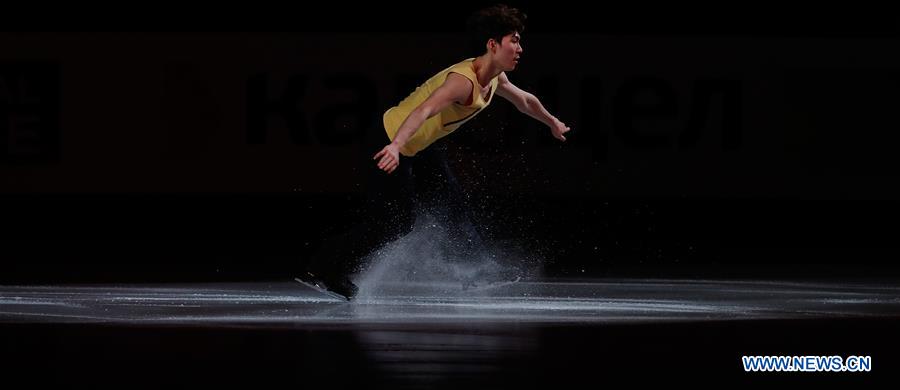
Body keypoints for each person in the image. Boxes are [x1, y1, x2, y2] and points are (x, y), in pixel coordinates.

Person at [300, 4, 570, 300]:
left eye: (519, 40)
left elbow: (525, 101)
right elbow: (424, 109)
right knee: (396, 224)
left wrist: (551, 121)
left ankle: (476, 273)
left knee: (453, 201)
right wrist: (396, 146)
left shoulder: (494, 78)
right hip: (391, 138)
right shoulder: (462, 81)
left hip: (421, 147)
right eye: (514, 41)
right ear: (493, 45)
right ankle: (322, 268)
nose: (520, 48)